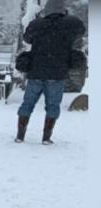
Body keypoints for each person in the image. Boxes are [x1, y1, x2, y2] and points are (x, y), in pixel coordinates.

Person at [15, 0, 85, 145]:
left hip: (36, 72)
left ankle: (20, 135)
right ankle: (46, 138)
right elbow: (81, 31)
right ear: (62, 10)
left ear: (46, 10)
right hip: (57, 73)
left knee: (27, 104)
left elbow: (27, 38)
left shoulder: (37, 24)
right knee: (53, 106)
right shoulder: (70, 24)